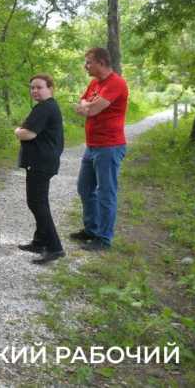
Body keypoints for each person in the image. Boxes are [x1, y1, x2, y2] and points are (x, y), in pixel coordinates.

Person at [71, 47, 128, 251]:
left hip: (109, 147)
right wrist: (87, 105)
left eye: (89, 62)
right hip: (92, 146)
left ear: (101, 62)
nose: (86, 66)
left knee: (106, 193)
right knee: (84, 188)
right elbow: (82, 104)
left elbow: (91, 109)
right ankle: (91, 230)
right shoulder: (94, 83)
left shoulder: (117, 83)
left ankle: (103, 239)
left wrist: (88, 106)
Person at [14, 74, 65, 264]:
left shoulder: (45, 107)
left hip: (41, 163)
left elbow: (27, 134)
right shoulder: (47, 107)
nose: (35, 91)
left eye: (39, 87)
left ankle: (55, 247)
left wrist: (17, 131)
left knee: (37, 203)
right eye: (32, 87)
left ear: (50, 88)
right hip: (42, 162)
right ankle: (39, 241)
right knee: (36, 202)